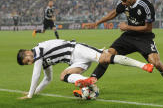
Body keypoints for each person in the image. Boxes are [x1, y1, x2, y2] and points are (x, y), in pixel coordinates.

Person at [87, 0, 163, 96]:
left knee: (156, 63)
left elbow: (148, 28)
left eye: (125, 0)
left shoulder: (146, 6)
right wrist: (97, 23)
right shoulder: (123, 3)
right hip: (128, 37)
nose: (123, 3)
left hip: (144, 38)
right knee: (107, 56)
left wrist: (127, 27)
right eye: (121, 1)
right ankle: (89, 86)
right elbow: (114, 12)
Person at [17, 39, 154, 99]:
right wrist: (35, 92)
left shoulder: (38, 50)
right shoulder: (41, 60)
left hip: (78, 50)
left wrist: (30, 95)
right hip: (76, 62)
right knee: (63, 76)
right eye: (27, 63)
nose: (30, 62)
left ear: (28, 52)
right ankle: (87, 82)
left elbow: (36, 75)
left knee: (106, 58)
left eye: (28, 60)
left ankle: (143, 65)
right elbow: (47, 79)